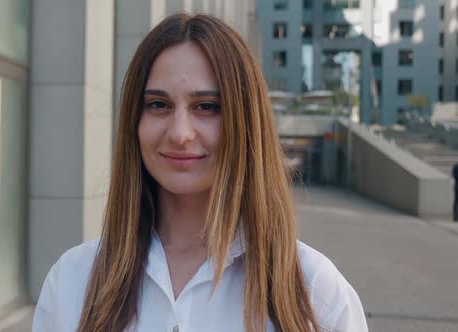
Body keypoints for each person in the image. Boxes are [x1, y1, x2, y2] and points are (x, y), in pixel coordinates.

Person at [32, 13, 368, 332]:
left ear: (246, 121)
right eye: (158, 105)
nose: (180, 133)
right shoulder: (72, 281)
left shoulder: (314, 291)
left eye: (206, 107)